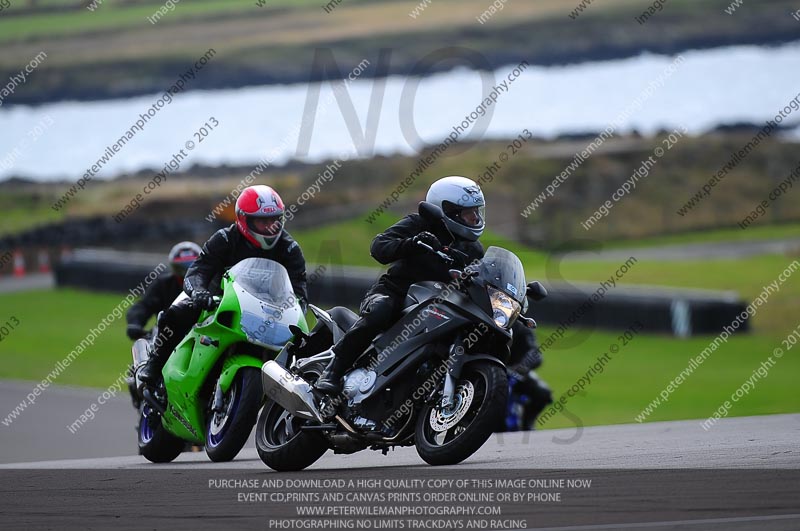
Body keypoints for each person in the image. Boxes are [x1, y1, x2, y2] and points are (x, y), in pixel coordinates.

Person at [315, 175, 546, 397]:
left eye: (477, 212)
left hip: (439, 304)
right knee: (379, 311)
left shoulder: (473, 249)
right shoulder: (418, 224)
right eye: (468, 213)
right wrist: (411, 243)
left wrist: (513, 291)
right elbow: (379, 247)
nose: (475, 219)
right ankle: (333, 371)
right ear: (448, 211)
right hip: (396, 293)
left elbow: (481, 278)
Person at [138, 185, 308, 386]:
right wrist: (199, 293)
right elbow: (198, 270)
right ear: (244, 219)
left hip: (265, 311)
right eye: (262, 221)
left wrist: (296, 310)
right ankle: (154, 364)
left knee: (302, 345)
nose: (269, 227)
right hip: (217, 301)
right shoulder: (225, 238)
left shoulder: (289, 248)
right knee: (174, 314)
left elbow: (299, 291)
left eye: (274, 220)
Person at [125, 241, 202, 341]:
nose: (185, 273)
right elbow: (144, 305)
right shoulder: (163, 284)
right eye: (181, 269)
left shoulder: (209, 283)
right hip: (166, 337)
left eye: (190, 267)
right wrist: (135, 322)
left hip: (199, 335)